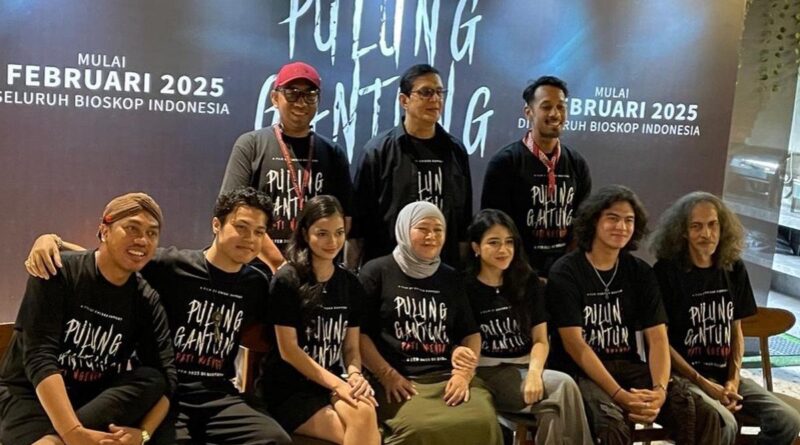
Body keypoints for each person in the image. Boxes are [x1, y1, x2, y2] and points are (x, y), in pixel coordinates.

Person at [23, 187, 291, 445]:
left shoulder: (256, 284)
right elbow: (111, 258)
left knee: (275, 439)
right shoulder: (171, 265)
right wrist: (53, 242)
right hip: (165, 394)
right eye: (241, 227)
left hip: (218, 392)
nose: (249, 238)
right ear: (216, 225)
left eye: (259, 232)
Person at [546, 185, 721, 444]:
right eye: (613, 218)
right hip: (581, 372)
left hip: (628, 366)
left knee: (698, 410)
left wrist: (660, 391)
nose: (622, 227)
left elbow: (658, 339)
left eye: (629, 220)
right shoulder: (566, 271)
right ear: (594, 221)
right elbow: (575, 345)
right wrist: (619, 395)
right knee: (612, 425)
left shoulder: (639, 271)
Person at [0, 192, 176, 445]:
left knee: (151, 378)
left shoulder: (146, 299)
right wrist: (73, 433)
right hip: (30, 394)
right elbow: (40, 358)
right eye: (132, 228)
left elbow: (164, 377)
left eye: (152, 233)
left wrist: (144, 434)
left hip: (89, 400)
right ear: (104, 231)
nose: (142, 240)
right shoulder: (57, 271)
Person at [650, 191, 800, 445]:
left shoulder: (733, 267)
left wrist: (732, 379)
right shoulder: (666, 271)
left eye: (713, 225)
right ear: (683, 232)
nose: (706, 234)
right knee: (724, 422)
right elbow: (660, 342)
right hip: (684, 379)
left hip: (724, 377)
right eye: (696, 226)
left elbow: (736, 330)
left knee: (787, 421)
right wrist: (704, 384)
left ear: (722, 228)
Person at [357, 201, 502, 445]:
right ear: (404, 230)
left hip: (446, 376)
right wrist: (386, 375)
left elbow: (471, 333)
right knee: (420, 429)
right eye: (423, 229)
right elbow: (358, 336)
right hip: (398, 380)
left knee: (483, 420)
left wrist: (464, 374)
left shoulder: (450, 277)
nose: (431, 236)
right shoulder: (376, 272)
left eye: (438, 230)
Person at [257, 195, 380, 444]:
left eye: (339, 233)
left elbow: (351, 348)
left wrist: (355, 375)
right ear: (305, 233)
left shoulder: (350, 284)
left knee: (365, 411)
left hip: (328, 384)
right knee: (367, 434)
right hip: (288, 389)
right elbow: (289, 352)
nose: (332, 242)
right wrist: (339, 385)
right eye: (322, 233)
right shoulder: (287, 280)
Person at [466, 209, 592, 445]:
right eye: (493, 242)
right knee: (564, 385)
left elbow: (541, 339)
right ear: (476, 247)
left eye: (509, 242)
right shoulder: (465, 287)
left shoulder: (528, 281)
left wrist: (534, 374)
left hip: (528, 367)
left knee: (553, 412)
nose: (503, 250)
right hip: (487, 373)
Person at [220, 61, 354, 272]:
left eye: (310, 95)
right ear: (275, 98)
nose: (301, 103)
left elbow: (344, 218)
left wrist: (319, 266)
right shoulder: (251, 145)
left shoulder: (333, 153)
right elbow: (231, 211)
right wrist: (279, 265)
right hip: (258, 271)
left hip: (315, 272)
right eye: (292, 93)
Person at [349, 63, 472, 270]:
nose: (435, 99)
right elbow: (358, 227)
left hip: (443, 270)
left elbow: (463, 224)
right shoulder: (377, 152)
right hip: (390, 270)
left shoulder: (456, 151)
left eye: (439, 92)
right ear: (404, 100)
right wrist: (353, 274)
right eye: (426, 92)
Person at [482, 76, 591, 279]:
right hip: (516, 277)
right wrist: (523, 273)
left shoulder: (577, 164)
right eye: (546, 106)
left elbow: (582, 224)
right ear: (528, 112)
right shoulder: (505, 163)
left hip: (563, 275)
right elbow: (493, 227)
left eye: (561, 107)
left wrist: (566, 270)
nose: (555, 114)